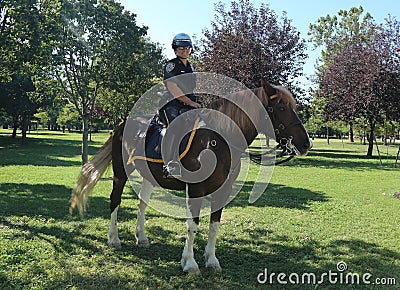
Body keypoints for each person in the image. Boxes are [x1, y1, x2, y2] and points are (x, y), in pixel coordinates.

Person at [159, 33, 201, 178]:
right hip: (170, 105)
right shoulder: (171, 65)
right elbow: (173, 88)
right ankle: (170, 164)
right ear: (175, 49)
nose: (185, 50)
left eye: (187, 47)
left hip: (188, 105)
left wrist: (195, 101)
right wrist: (190, 102)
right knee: (175, 127)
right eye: (181, 48)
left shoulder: (191, 66)